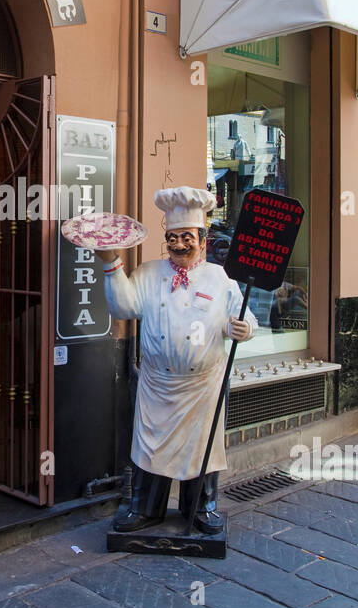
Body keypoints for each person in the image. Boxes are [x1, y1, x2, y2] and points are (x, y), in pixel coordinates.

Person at [96, 187, 256, 534]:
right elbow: (124, 307)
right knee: (150, 448)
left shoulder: (219, 278)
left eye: (188, 237)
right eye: (173, 237)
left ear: (203, 238)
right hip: (157, 384)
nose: (180, 244)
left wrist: (243, 328)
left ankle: (201, 507)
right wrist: (111, 263)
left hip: (203, 385)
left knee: (203, 449)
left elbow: (243, 316)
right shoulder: (149, 273)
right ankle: (145, 508)